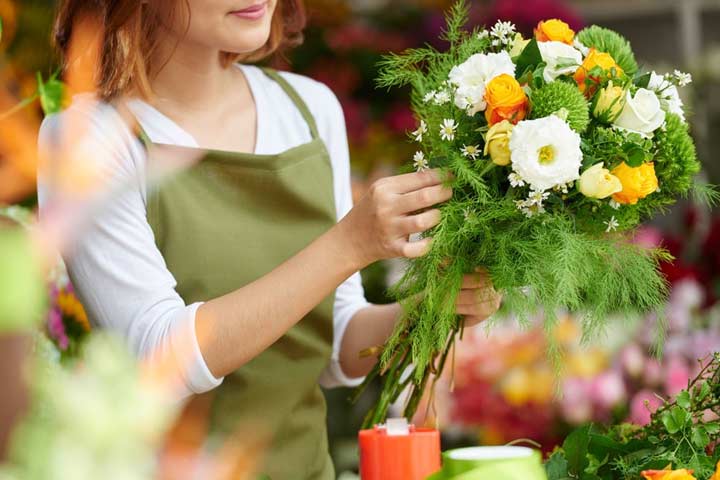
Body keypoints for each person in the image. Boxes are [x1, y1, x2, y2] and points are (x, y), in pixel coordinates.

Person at [38, 1, 502, 478]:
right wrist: (349, 245)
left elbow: (336, 338)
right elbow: (158, 360)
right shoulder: (88, 140)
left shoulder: (308, 109)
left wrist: (435, 307)